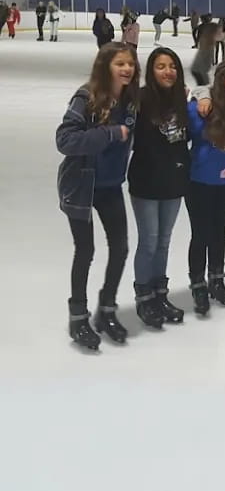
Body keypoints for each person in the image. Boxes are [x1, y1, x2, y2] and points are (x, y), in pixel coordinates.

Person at [56, 43, 139, 349]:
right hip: (81, 184)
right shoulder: (86, 96)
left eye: (130, 63)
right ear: (106, 65)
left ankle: (107, 309)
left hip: (110, 185)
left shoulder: (131, 100)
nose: (127, 69)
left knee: (120, 248)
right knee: (86, 250)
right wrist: (110, 133)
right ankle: (78, 316)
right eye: (120, 63)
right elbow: (64, 139)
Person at [128, 47, 190, 328]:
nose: (168, 71)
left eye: (172, 66)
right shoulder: (140, 100)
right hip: (146, 182)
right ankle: (144, 298)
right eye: (161, 66)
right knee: (149, 241)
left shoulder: (181, 100)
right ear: (151, 71)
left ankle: (160, 295)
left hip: (173, 183)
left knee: (163, 241)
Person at [186, 60, 225, 315]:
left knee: (219, 231)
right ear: (222, 79)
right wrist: (200, 96)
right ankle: (198, 283)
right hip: (200, 182)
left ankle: (216, 278)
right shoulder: (201, 109)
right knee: (201, 233)